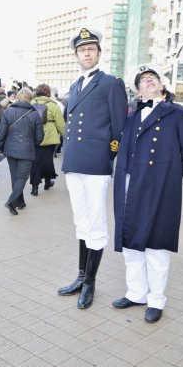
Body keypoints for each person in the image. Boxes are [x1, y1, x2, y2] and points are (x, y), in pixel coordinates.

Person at [112, 64, 183, 323]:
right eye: (143, 79)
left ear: (161, 85)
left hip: (158, 188)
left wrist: (168, 176)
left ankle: (156, 300)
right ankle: (136, 293)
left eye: (153, 78)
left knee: (156, 245)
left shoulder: (176, 114)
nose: (148, 80)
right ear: (138, 91)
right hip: (129, 186)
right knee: (131, 244)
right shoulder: (130, 117)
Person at [58, 25, 128, 310]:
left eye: (91, 49)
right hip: (74, 163)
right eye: (82, 50)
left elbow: (119, 128)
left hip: (97, 163)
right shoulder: (74, 85)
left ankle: (90, 283)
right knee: (82, 222)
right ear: (77, 55)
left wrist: (108, 156)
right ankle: (80, 275)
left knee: (96, 225)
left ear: (99, 52)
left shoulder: (111, 83)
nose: (86, 53)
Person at [0, 87, 44, 214]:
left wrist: (0, 147)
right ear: (30, 99)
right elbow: (40, 136)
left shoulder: (8, 111)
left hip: (10, 149)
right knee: (22, 177)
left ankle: (20, 202)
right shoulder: (34, 114)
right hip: (27, 150)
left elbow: (1, 133)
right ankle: (11, 202)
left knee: (15, 177)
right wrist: (33, 145)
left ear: (17, 97)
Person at [29, 84, 65, 196]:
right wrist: (65, 137)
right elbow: (60, 124)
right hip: (49, 137)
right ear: (48, 93)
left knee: (35, 162)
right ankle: (47, 182)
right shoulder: (53, 105)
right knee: (48, 161)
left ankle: (34, 187)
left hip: (34, 137)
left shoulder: (31, 103)